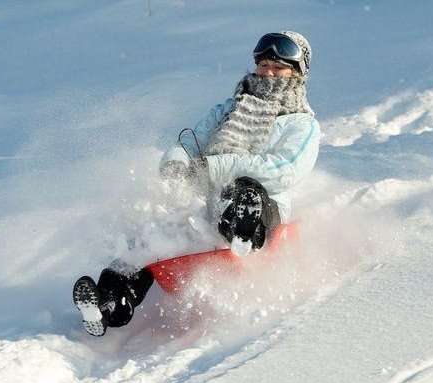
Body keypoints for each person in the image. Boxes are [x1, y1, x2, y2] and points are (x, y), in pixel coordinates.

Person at [73, 31, 322, 336]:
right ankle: (109, 303)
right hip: (205, 207)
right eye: (264, 64)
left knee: (244, 186)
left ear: (297, 73)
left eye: (279, 67)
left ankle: (242, 231)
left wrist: (212, 169)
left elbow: (284, 170)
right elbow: (189, 143)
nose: (268, 72)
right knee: (149, 232)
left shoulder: (302, 124)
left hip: (261, 213)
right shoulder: (228, 110)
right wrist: (176, 165)